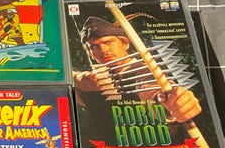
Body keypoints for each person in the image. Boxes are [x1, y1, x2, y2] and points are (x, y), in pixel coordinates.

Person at [73, 15, 202, 125]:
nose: (103, 50)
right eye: (94, 47)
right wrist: (76, 79)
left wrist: (174, 102)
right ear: (90, 54)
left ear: (125, 43)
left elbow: (152, 88)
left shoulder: (143, 71)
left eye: (108, 42)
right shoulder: (94, 80)